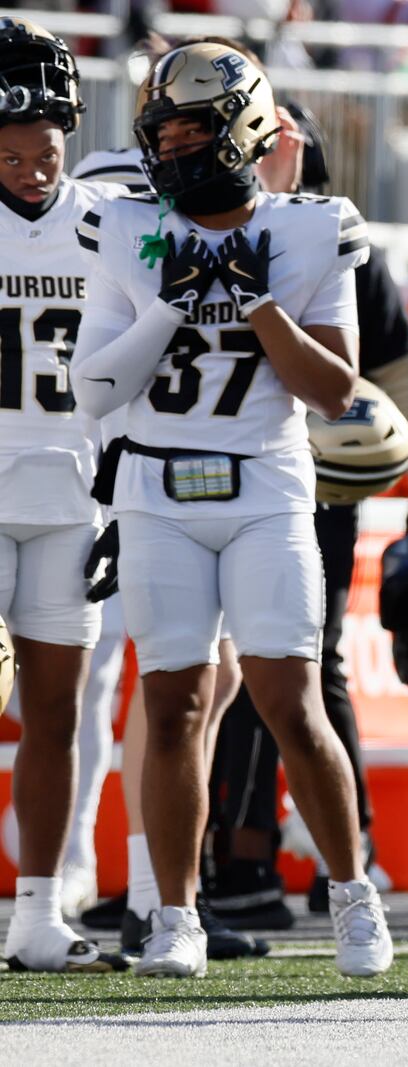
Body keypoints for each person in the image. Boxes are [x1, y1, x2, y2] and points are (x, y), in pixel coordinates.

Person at [70, 41, 392, 979]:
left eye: (191, 129)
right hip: (157, 489)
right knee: (168, 700)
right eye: (159, 131)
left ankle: (352, 893)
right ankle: (174, 914)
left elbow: (334, 389)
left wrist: (258, 308)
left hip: (265, 484)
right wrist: (171, 309)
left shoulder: (311, 228)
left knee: (291, 699)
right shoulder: (126, 227)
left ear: (245, 129)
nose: (171, 149)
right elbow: (94, 390)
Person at [207, 98, 408, 919]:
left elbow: (403, 368)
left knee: (306, 662)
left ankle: (341, 852)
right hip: (213, 477)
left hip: (316, 485)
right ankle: (235, 857)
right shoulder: (197, 227)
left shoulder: (338, 240)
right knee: (225, 665)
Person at [0, 15, 128, 975]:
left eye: (45, 148)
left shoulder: (108, 218)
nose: (34, 166)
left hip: (74, 494)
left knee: (58, 713)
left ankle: (38, 912)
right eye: (13, 152)